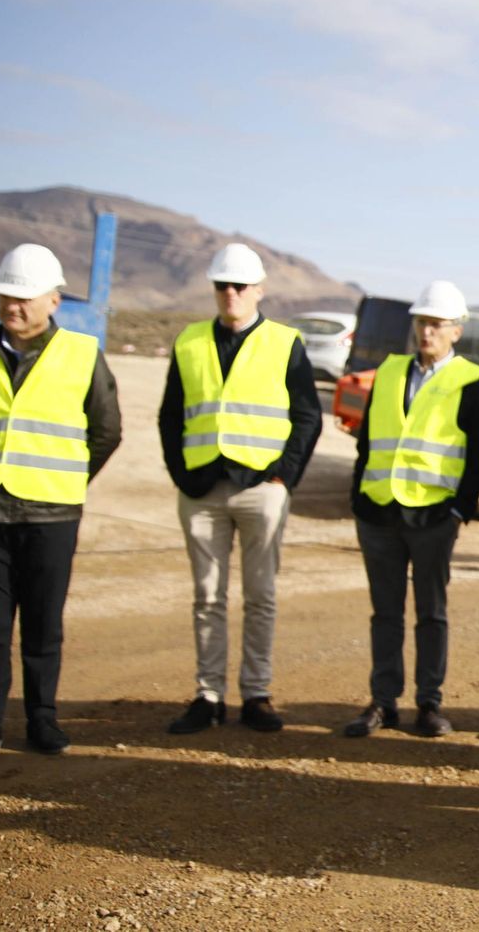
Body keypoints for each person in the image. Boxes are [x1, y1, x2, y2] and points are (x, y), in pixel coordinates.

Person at [159, 242, 321, 735]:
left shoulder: (284, 342)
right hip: (203, 489)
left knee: (260, 596)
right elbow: (170, 416)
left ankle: (256, 693)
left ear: (259, 291)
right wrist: (182, 476)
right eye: (222, 286)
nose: (230, 293)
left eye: (239, 286)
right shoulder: (188, 342)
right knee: (207, 597)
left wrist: (283, 477)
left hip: (260, 489)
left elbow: (308, 416)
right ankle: (208, 696)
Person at [0, 244, 122, 758]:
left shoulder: (82, 354)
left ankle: (42, 719)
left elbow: (106, 430)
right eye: (4, 296)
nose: (12, 306)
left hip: (52, 513)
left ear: (54, 301)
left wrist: (68, 479)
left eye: (23, 297)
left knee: (44, 625)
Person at [342, 281, 479, 739]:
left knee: (432, 613)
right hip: (380, 511)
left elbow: (478, 456)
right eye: (421, 322)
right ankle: (383, 702)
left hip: (432, 516)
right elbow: (368, 439)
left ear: (456, 331)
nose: (425, 332)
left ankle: (429, 703)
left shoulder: (472, 381)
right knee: (384, 612)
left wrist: (459, 511)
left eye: (435, 324)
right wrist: (358, 498)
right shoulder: (389, 371)